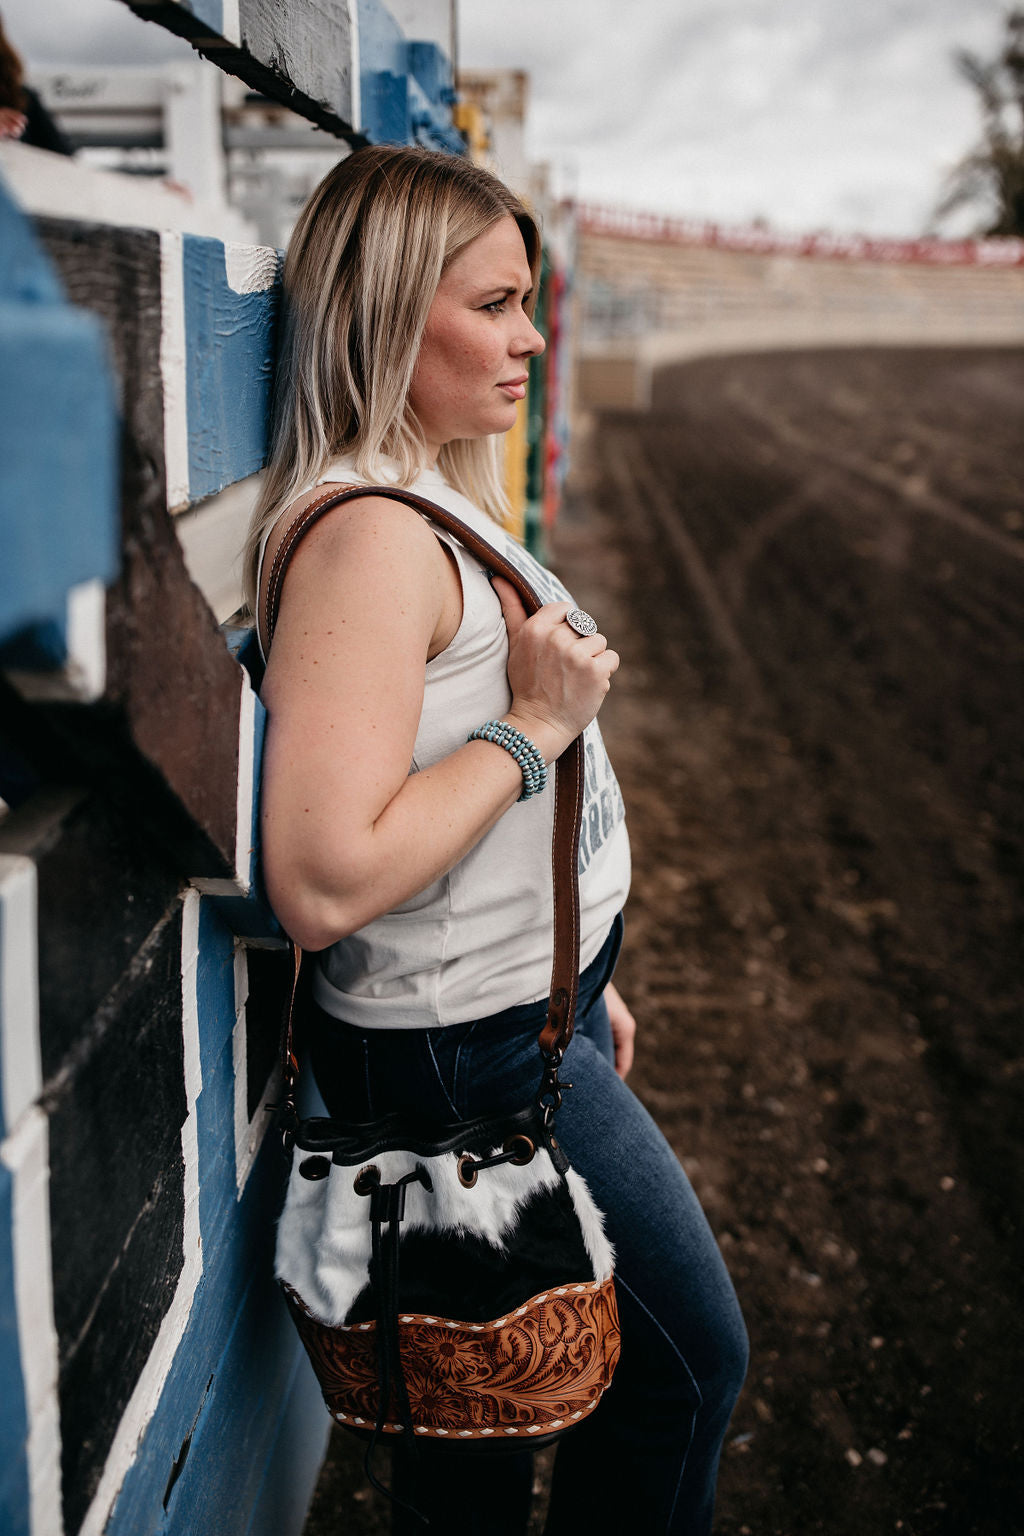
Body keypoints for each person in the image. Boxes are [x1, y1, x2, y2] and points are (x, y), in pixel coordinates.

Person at [245, 144, 747, 1536]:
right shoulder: (370, 541)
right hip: (462, 1060)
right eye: (496, 302)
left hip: (523, 1017)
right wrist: (533, 726)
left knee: (475, 1427)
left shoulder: (432, 489)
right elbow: (322, 876)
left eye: (528, 299)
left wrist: (582, 962)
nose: (531, 334)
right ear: (387, 312)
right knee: (689, 1374)